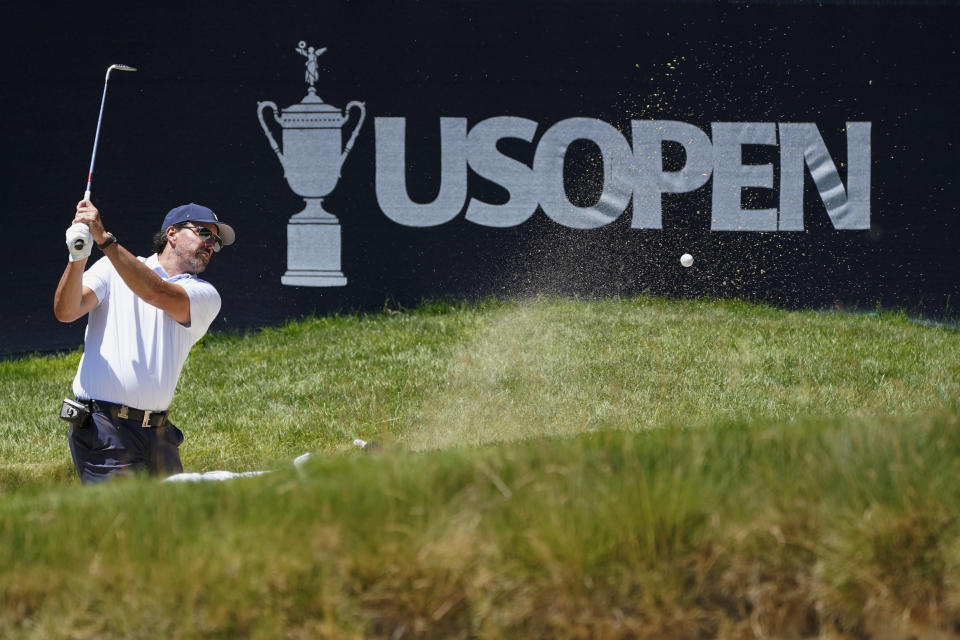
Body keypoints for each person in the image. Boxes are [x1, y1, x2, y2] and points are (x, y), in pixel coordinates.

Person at [53, 200, 236, 483]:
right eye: (204, 233)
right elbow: (66, 312)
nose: (211, 244)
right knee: (125, 522)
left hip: (160, 435)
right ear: (172, 234)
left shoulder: (204, 294)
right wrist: (78, 255)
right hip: (105, 429)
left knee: (174, 524)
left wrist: (105, 240)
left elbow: (155, 292)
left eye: (216, 241)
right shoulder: (110, 268)